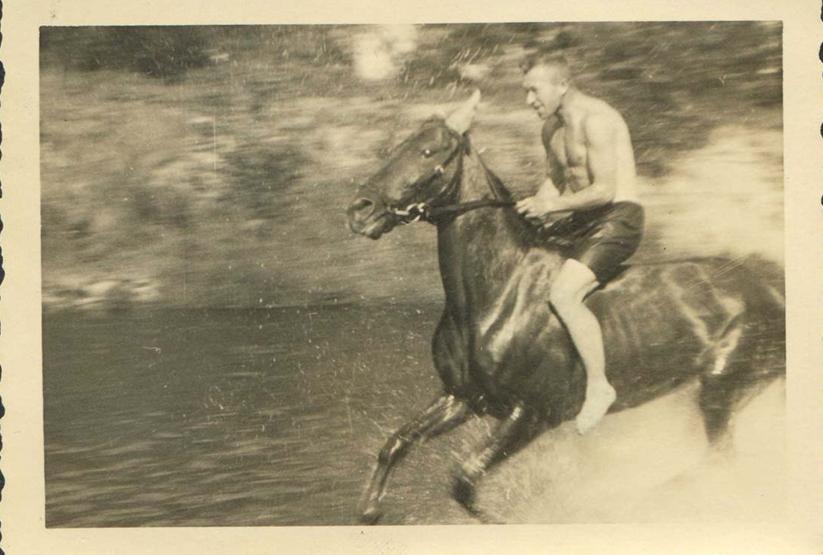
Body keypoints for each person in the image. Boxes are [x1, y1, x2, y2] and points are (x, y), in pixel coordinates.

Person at [514, 53, 644, 434]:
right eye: (525, 92)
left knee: (564, 294)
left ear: (562, 85)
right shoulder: (551, 130)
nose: (529, 101)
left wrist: (550, 207)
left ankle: (599, 387)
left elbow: (604, 191)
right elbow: (555, 181)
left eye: (534, 91)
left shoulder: (597, 120)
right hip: (582, 219)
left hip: (618, 218)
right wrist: (534, 208)